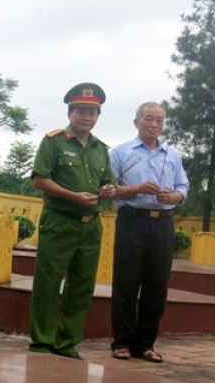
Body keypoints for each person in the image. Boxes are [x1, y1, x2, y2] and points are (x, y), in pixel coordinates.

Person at [28, 82, 116, 359]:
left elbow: (109, 182)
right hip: (59, 221)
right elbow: (40, 180)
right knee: (48, 282)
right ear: (70, 113)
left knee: (82, 285)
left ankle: (66, 342)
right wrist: (72, 196)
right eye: (81, 111)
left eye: (93, 113)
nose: (87, 117)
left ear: (98, 117)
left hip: (91, 226)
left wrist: (109, 190)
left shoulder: (101, 149)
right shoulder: (53, 141)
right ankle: (43, 341)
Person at [109, 102, 189, 363]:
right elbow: (109, 189)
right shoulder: (121, 152)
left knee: (156, 286)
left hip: (163, 223)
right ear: (136, 122)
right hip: (132, 220)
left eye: (159, 120)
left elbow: (183, 188)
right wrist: (138, 189)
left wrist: (174, 196)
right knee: (126, 283)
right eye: (149, 119)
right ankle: (121, 342)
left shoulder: (172, 155)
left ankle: (145, 344)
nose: (155, 124)